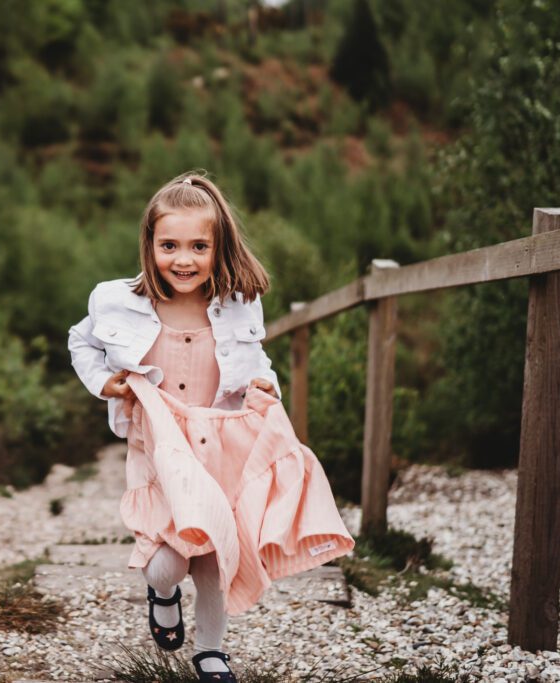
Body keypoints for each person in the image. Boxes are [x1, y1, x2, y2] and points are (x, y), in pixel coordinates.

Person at [68, 173, 354, 681]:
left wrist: (264, 387)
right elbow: (81, 341)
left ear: (217, 246)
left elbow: (253, 360)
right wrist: (104, 382)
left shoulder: (236, 303)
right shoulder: (117, 301)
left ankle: (211, 651)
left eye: (199, 246)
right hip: (156, 450)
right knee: (167, 563)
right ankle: (162, 593)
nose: (184, 259)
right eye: (169, 245)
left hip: (219, 447)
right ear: (149, 244)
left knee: (215, 553)